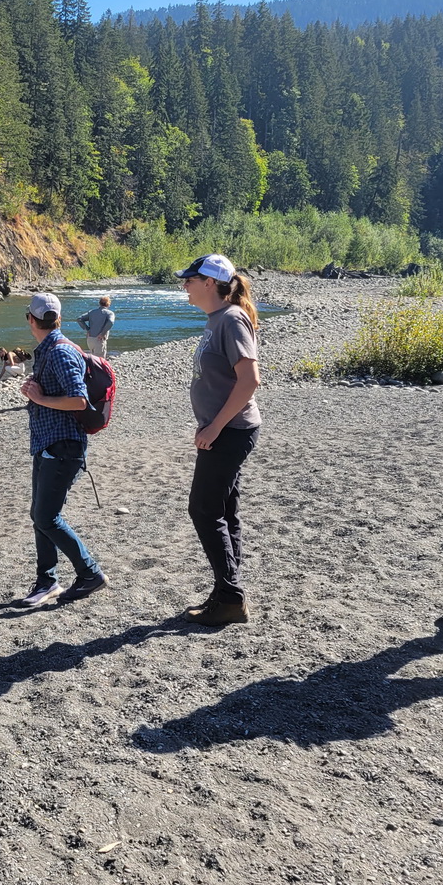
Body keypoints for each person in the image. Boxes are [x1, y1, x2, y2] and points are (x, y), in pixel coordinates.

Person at [178, 254, 262, 626]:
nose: (185, 285)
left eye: (190, 279)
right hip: (224, 430)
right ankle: (227, 591)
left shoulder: (231, 319)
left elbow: (249, 381)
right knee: (224, 512)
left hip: (230, 432)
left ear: (209, 283)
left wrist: (214, 427)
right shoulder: (218, 320)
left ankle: (230, 596)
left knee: (204, 509)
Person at [17, 293, 109, 608]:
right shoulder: (49, 350)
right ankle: (47, 582)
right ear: (56, 317)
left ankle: (90, 573)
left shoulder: (57, 353)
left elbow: (79, 400)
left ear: (31, 319)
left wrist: (40, 398)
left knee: (47, 516)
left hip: (63, 446)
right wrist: (35, 390)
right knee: (40, 516)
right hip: (47, 443)